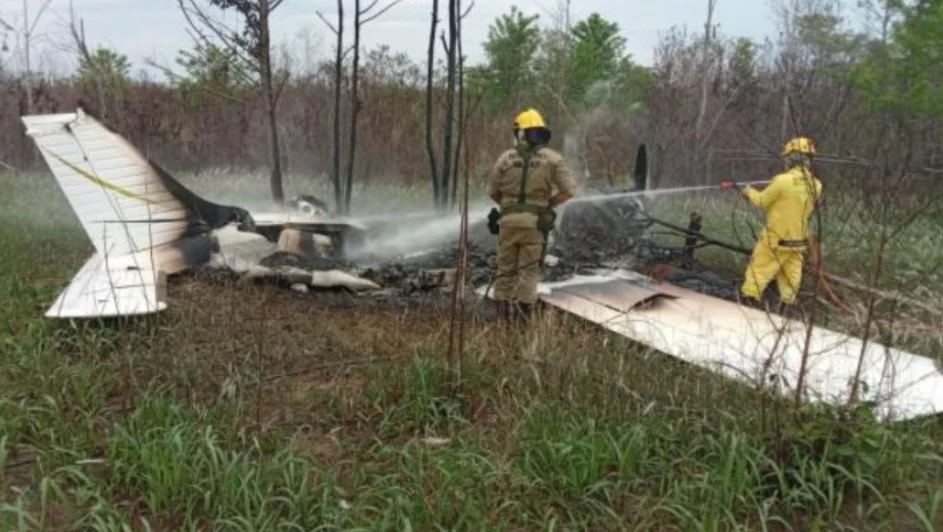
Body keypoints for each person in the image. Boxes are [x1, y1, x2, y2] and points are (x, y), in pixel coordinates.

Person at [487, 108, 577, 323]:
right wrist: (547, 205)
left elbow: (492, 191)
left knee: (505, 271)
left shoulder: (505, 158)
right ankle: (523, 323)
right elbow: (569, 191)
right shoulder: (553, 159)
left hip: (508, 224)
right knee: (529, 273)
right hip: (534, 225)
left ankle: (501, 321)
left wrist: (509, 207)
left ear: (519, 133)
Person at [732, 136, 823, 307]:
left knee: (756, 277)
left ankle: (746, 310)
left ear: (791, 158)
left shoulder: (781, 181)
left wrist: (748, 192)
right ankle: (785, 320)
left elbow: (761, 201)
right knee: (790, 286)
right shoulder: (816, 185)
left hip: (775, 242)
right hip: (797, 243)